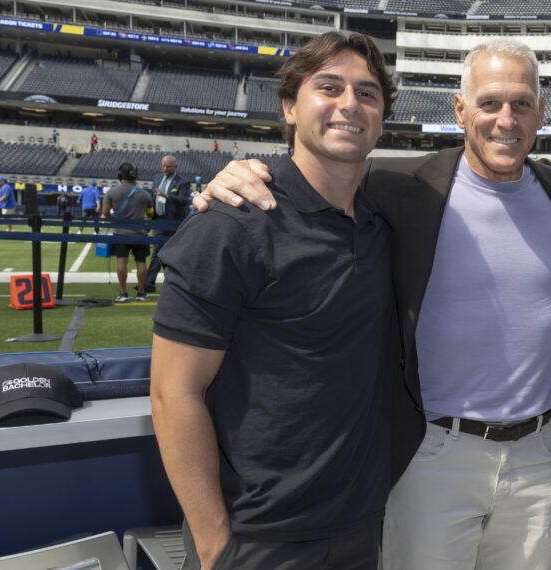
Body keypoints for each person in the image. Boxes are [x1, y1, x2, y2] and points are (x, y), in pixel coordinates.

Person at [197, 39, 551, 570]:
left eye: (521, 104)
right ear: (460, 110)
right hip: (434, 455)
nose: (506, 119)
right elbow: (320, 172)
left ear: (541, 114)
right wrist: (250, 170)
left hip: (542, 456)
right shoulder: (401, 190)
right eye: (491, 102)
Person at [150, 31, 398, 569]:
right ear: (289, 105)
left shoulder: (383, 222)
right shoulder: (231, 223)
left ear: (382, 116)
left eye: (367, 93)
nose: (349, 104)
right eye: (328, 87)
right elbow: (173, 393)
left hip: (359, 527)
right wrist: (216, 545)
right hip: (255, 536)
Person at [101, 162, 153, 303]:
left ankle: (123, 293)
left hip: (121, 233)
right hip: (140, 234)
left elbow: (105, 212)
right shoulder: (145, 194)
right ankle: (141, 293)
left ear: (120, 175)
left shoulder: (112, 192)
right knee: (141, 262)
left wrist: (116, 219)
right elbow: (150, 214)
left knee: (121, 261)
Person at [143, 155, 191, 293]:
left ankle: (175, 283)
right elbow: (153, 196)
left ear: (175, 167)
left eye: (168, 166)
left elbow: (183, 200)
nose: (165, 168)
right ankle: (148, 283)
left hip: (174, 223)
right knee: (156, 253)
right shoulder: (158, 177)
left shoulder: (183, 182)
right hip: (159, 221)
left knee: (174, 254)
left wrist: (167, 196)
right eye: (163, 165)